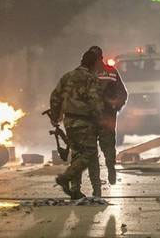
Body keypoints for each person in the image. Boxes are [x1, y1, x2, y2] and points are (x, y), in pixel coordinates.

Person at [71, 46, 128, 197]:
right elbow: (123, 94)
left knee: (92, 154)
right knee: (107, 147)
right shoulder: (111, 71)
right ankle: (107, 172)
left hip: (90, 120)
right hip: (105, 119)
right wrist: (116, 106)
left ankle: (97, 186)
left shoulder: (82, 73)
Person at [48, 50, 102, 199]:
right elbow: (95, 102)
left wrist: (55, 116)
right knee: (89, 153)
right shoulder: (91, 79)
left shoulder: (67, 76)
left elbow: (55, 97)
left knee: (77, 154)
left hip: (69, 121)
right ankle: (65, 178)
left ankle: (75, 191)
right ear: (93, 63)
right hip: (85, 122)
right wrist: (100, 119)